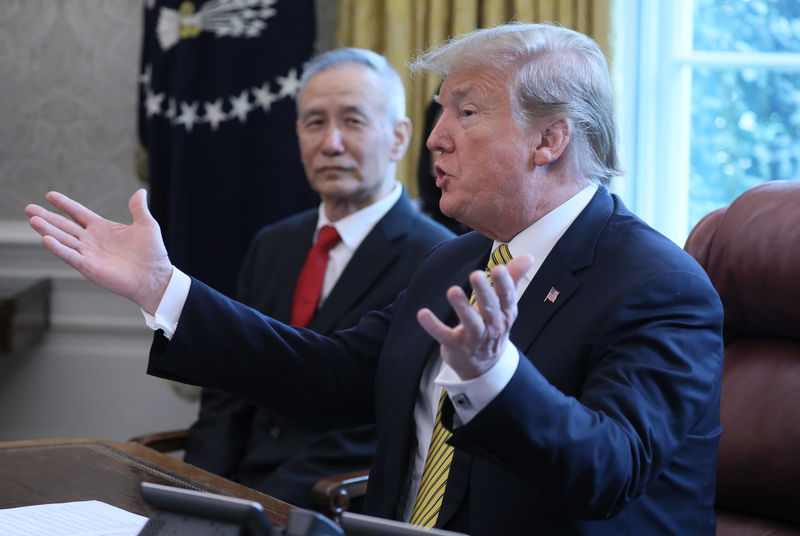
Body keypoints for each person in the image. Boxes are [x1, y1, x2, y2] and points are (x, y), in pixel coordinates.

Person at [26, 22, 724, 535]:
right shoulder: (455, 259)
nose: (434, 138)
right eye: (438, 110)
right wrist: (161, 287)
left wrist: (492, 376)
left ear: (550, 139)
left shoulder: (660, 285)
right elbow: (326, 375)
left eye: (466, 112)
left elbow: (611, 471)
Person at [181, 48, 454, 508]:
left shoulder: (436, 257)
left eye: (352, 121)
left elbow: (377, 424)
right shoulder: (273, 244)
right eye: (314, 123)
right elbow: (226, 391)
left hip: (331, 501)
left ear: (398, 137)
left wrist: (253, 507)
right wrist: (197, 492)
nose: (331, 143)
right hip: (235, 497)